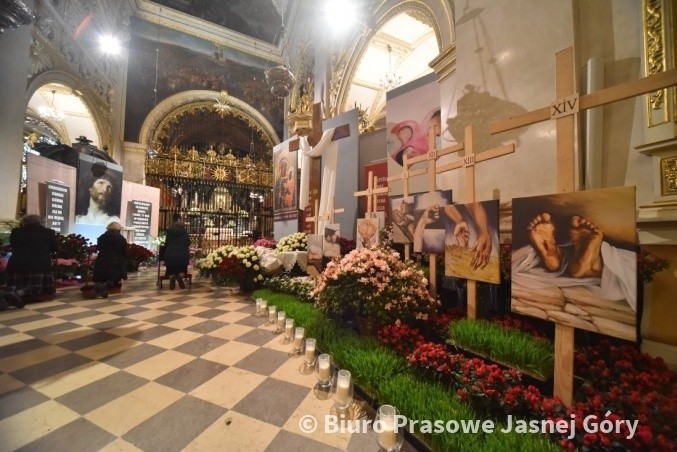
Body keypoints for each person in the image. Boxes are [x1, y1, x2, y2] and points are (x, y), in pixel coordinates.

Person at [5, 214, 58, 306]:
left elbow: (13, 245)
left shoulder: (16, 232)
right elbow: (54, 248)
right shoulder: (49, 232)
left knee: (17, 284)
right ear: (41, 222)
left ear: (24, 222)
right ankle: (18, 293)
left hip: (18, 263)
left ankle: (14, 293)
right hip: (40, 263)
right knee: (35, 287)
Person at [92, 221, 128, 298]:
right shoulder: (121, 239)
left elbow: (99, 248)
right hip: (116, 261)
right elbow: (124, 251)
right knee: (115, 279)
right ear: (118, 230)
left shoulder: (101, 237)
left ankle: (99, 288)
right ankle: (103, 286)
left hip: (102, 259)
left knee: (102, 277)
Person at [163, 221, 190, 290]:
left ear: (175, 225)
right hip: (182, 255)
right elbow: (188, 243)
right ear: (183, 227)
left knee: (170, 270)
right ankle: (180, 276)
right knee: (182, 270)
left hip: (171, 254)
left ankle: (172, 276)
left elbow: (166, 243)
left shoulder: (169, 232)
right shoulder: (185, 233)